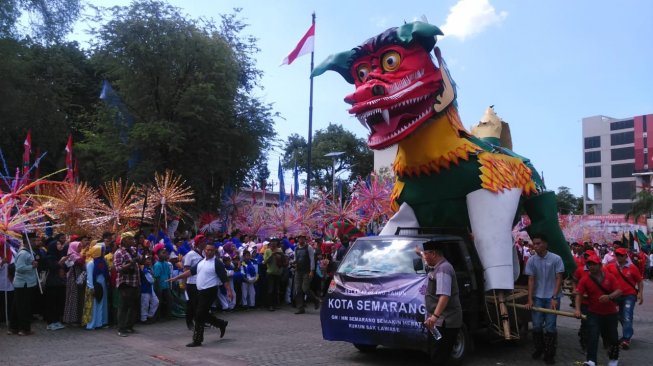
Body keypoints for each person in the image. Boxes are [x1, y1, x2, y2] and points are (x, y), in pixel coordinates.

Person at [168, 242, 232, 347]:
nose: (209, 252)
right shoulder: (201, 262)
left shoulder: (217, 263)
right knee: (202, 313)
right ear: (204, 251)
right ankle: (221, 323)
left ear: (214, 251)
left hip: (210, 291)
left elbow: (224, 278)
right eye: (208, 250)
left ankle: (197, 339)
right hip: (200, 291)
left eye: (211, 250)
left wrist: (229, 291)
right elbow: (190, 272)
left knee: (199, 315)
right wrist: (177, 278)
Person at [524, 233, 565, 365]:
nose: (535, 246)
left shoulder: (556, 258)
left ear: (545, 244)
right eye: (534, 244)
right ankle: (539, 349)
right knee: (536, 325)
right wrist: (529, 299)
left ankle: (550, 354)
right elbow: (530, 280)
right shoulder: (531, 260)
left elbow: (559, 278)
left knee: (550, 326)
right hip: (537, 297)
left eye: (538, 243)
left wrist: (554, 297)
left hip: (552, 297)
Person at [421, 240, 463, 365]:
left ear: (433, 254)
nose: (425, 257)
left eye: (426, 254)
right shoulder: (437, 266)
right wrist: (420, 253)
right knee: (435, 353)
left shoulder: (443, 269)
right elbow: (425, 261)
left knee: (439, 356)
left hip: (445, 322)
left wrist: (434, 317)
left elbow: (444, 296)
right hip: (439, 322)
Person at [574, 255, 621, 366]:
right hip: (593, 313)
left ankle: (613, 359)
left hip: (610, 313)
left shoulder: (610, 277)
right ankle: (591, 360)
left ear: (600, 265)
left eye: (594, 264)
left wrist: (609, 297)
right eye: (589, 264)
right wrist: (577, 309)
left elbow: (619, 290)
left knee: (613, 337)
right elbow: (579, 295)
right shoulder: (585, 279)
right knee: (593, 336)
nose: (591, 267)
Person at [605, 247, 644, 350]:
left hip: (629, 296)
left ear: (626, 256)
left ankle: (626, 338)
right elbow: (603, 275)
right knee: (619, 316)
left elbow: (640, 281)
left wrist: (640, 293)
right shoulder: (610, 267)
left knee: (627, 316)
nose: (619, 257)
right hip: (615, 296)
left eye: (621, 255)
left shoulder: (632, 268)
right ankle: (628, 331)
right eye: (617, 255)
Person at [8, 235, 38, 336]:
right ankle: (24, 329)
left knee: (17, 306)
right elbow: (19, 268)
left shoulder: (28, 252)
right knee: (24, 307)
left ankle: (14, 328)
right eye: (34, 240)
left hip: (24, 283)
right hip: (24, 284)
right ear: (27, 242)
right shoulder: (23, 253)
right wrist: (32, 266)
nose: (36, 242)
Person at [113, 231, 141, 337]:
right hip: (125, 283)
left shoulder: (133, 250)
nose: (132, 241)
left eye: (133, 239)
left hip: (135, 282)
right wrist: (130, 263)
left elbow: (140, 260)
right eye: (130, 239)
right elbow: (118, 268)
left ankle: (129, 326)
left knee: (133, 306)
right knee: (124, 306)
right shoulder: (119, 253)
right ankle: (121, 328)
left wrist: (140, 258)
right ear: (124, 241)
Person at [43, 237, 68, 330]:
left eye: (60, 244)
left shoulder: (60, 254)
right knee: (52, 303)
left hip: (60, 282)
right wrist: (61, 262)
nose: (60, 245)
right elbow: (52, 267)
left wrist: (67, 262)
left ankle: (57, 320)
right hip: (52, 283)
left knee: (59, 303)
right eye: (57, 244)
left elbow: (65, 268)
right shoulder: (49, 256)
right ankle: (50, 322)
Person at [83, 243, 109, 330]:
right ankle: (92, 324)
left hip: (102, 285)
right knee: (93, 305)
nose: (103, 252)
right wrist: (91, 287)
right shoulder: (91, 263)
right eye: (102, 251)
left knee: (101, 303)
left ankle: (100, 322)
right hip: (95, 285)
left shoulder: (103, 261)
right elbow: (89, 276)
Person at [293, 235, 320, 314]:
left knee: (305, 289)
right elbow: (295, 259)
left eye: (302, 238)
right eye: (299, 238)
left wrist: (312, 270)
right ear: (298, 239)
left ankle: (315, 300)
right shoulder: (296, 248)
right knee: (298, 290)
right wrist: (293, 263)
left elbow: (312, 259)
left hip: (307, 271)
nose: (301, 240)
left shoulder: (309, 247)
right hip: (298, 271)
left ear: (305, 239)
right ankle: (300, 308)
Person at [183, 235, 205, 330]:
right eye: (204, 242)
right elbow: (186, 269)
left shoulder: (205, 253)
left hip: (202, 282)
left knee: (201, 304)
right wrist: (183, 283)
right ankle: (189, 322)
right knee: (191, 304)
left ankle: (199, 321)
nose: (205, 243)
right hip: (192, 282)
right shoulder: (190, 254)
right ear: (199, 243)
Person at [263, 239, 283, 311]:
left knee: (276, 289)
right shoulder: (267, 251)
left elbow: (282, 260)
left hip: (278, 272)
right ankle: (270, 305)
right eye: (272, 242)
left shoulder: (280, 250)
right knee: (270, 290)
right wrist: (272, 255)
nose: (274, 243)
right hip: (270, 272)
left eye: (275, 241)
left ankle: (276, 304)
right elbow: (265, 262)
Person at [153, 247, 173, 320]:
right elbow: (156, 278)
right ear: (158, 255)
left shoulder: (166, 264)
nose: (165, 254)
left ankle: (168, 316)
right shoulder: (157, 265)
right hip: (159, 286)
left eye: (165, 253)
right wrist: (158, 288)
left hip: (166, 285)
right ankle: (157, 317)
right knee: (159, 301)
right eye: (163, 253)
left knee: (169, 300)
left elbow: (168, 275)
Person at [139, 255, 158, 323]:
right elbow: (151, 280)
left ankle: (149, 316)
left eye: (150, 259)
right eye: (147, 259)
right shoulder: (144, 269)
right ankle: (143, 319)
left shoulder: (149, 269)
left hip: (150, 288)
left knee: (156, 302)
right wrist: (154, 279)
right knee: (145, 304)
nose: (149, 261)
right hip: (144, 289)